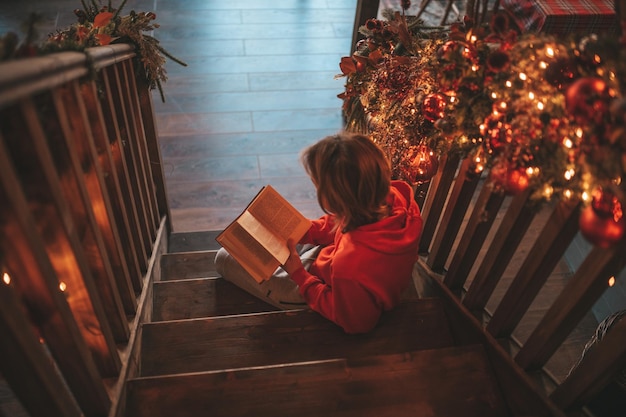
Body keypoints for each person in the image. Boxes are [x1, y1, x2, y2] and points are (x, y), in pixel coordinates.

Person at [215, 131, 423, 334]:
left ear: (338, 202)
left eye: (318, 186)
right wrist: (305, 230)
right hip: (341, 266)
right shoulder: (395, 198)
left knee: (223, 258)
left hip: (323, 292)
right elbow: (344, 225)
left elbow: (357, 324)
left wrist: (299, 275)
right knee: (292, 239)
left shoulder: (350, 265)